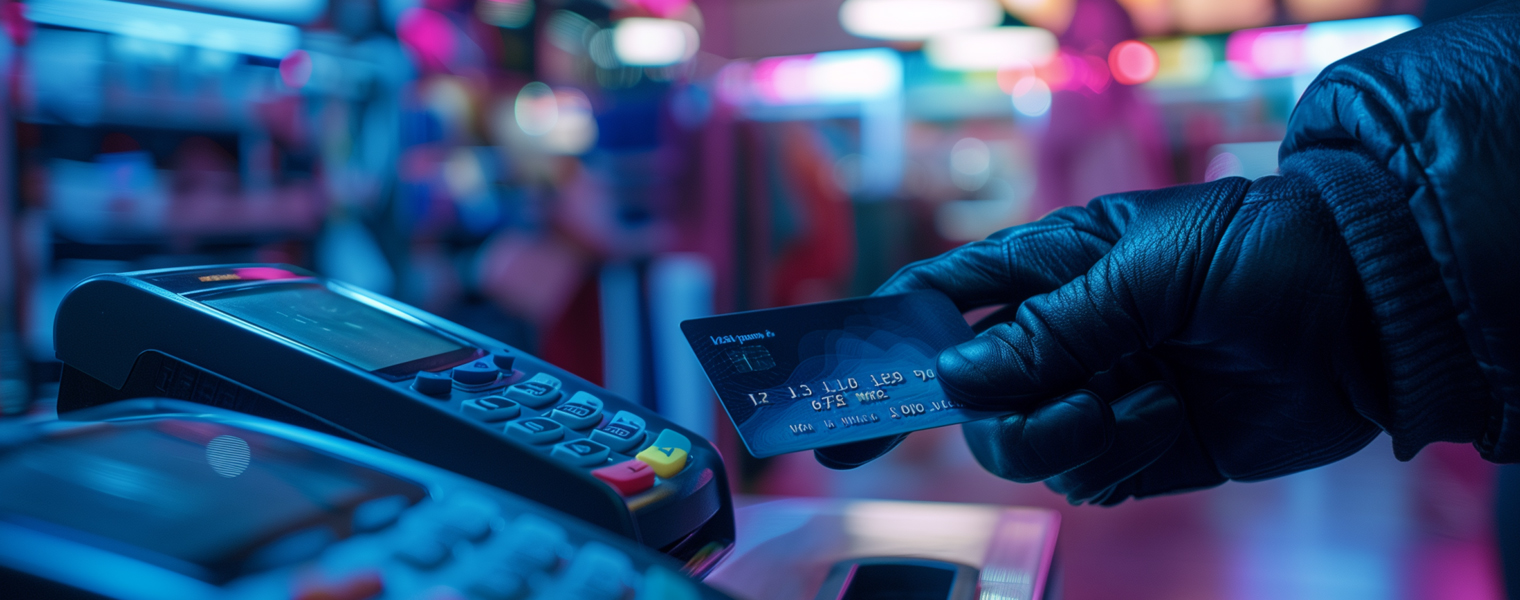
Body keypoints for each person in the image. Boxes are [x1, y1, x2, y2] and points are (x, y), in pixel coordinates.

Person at [816, 1, 1520, 507]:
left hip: (1151, 264)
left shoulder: (1106, 107)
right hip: (1145, 266)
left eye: (1106, 43)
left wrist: (1358, 262)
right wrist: (1365, 287)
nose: (1098, 57)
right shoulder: (1087, 104)